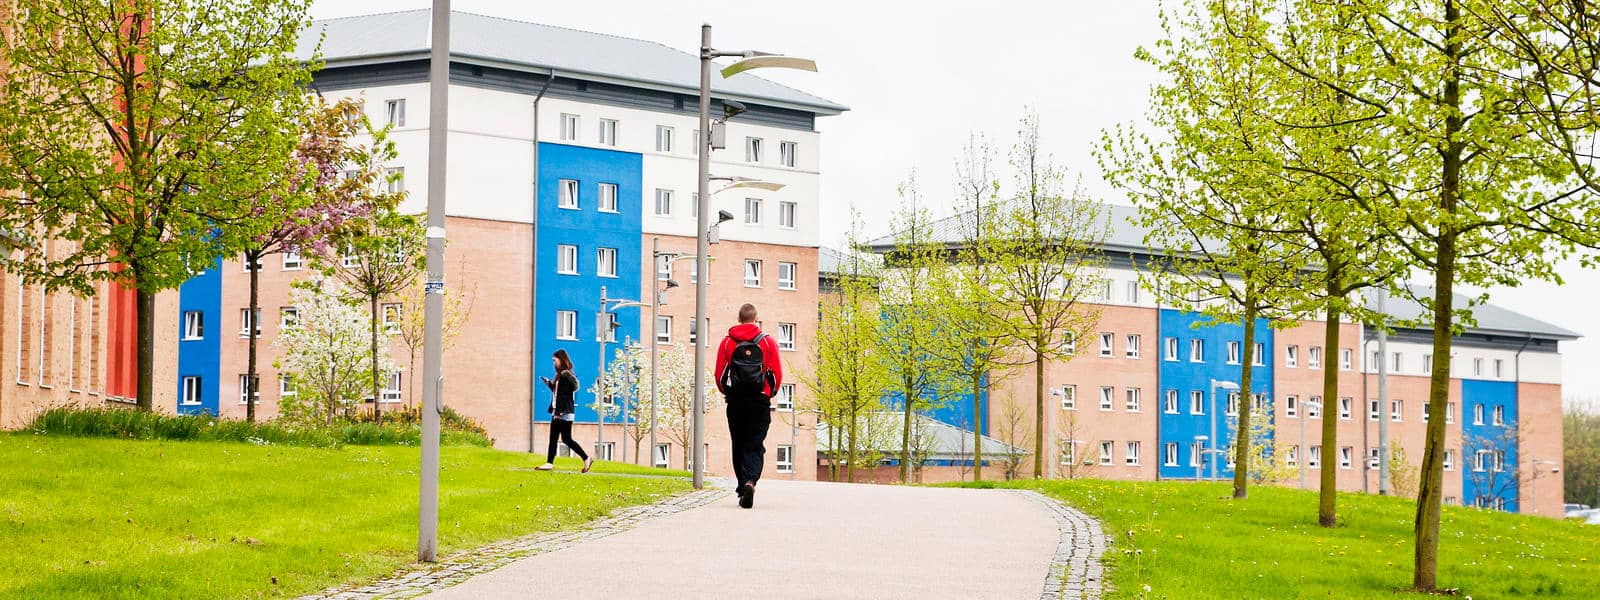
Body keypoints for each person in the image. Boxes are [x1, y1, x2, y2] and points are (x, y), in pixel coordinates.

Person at [714, 303, 783, 509]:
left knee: (739, 442)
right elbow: (777, 373)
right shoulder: (767, 342)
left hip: (736, 401)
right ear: (756, 319)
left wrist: (727, 392)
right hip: (759, 400)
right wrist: (770, 392)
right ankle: (750, 482)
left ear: (738, 318)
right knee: (755, 443)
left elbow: (719, 374)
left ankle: (741, 486)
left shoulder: (727, 342)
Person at [536, 349, 593, 473]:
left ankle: (551, 463)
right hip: (561, 411)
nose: (553, 363)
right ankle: (585, 458)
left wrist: (558, 413)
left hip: (563, 412)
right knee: (563, 439)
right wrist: (550, 384)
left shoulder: (565, 375)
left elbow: (564, 396)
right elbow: (559, 393)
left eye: (554, 360)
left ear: (561, 360)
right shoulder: (561, 375)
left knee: (560, 438)